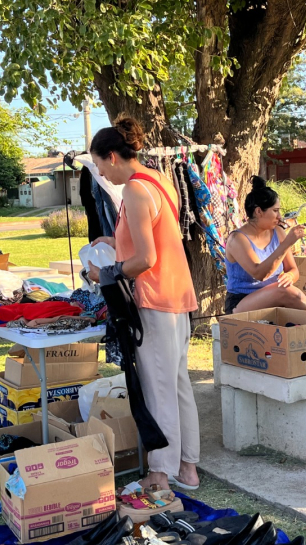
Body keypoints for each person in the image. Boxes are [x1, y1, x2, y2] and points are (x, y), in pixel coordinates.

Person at [86, 117, 200, 492]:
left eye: (100, 166)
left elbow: (146, 258)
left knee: (158, 388)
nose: (102, 174)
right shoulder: (159, 179)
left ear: (114, 156)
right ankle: (188, 467)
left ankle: (160, 473)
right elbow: (156, 236)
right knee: (177, 382)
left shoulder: (134, 190)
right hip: (177, 293)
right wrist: (115, 239)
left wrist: (108, 271)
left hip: (153, 299)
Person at [224, 176, 306, 314]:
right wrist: (288, 242)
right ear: (259, 211)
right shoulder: (237, 239)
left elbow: (293, 270)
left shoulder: (278, 232)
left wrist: (290, 276)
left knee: (286, 292)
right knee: (283, 291)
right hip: (241, 302)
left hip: (275, 294)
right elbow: (260, 274)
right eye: (275, 211)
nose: (279, 216)